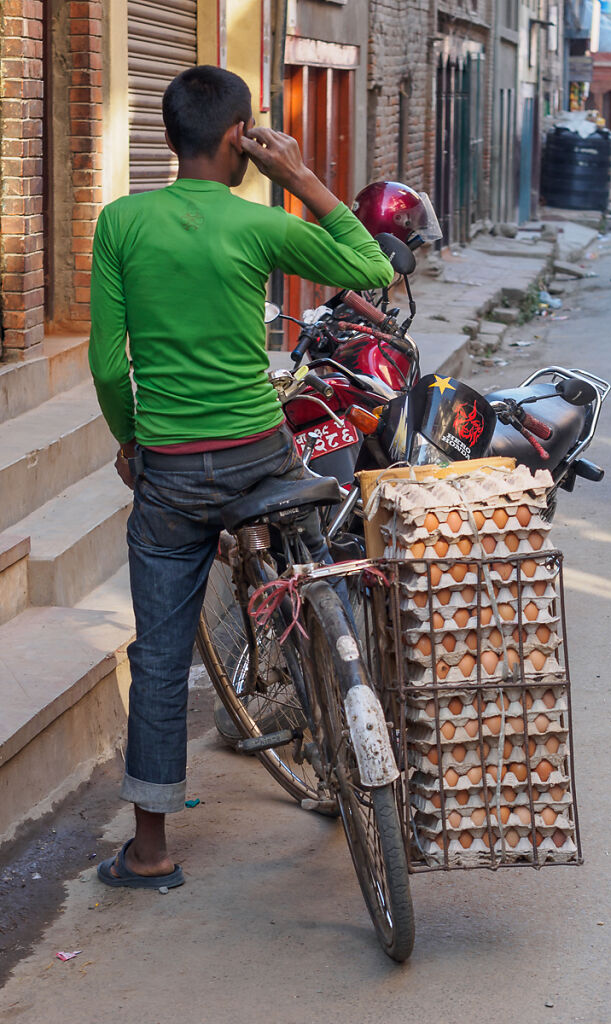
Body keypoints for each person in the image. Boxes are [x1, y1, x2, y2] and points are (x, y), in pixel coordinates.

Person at [88, 65, 394, 889]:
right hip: (260, 454)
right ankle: (333, 683)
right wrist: (297, 174)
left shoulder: (120, 223)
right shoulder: (259, 224)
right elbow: (368, 267)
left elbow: (109, 369)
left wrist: (131, 442)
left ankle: (151, 851)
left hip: (174, 473)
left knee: (158, 652)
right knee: (311, 541)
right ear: (241, 141)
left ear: (168, 137)